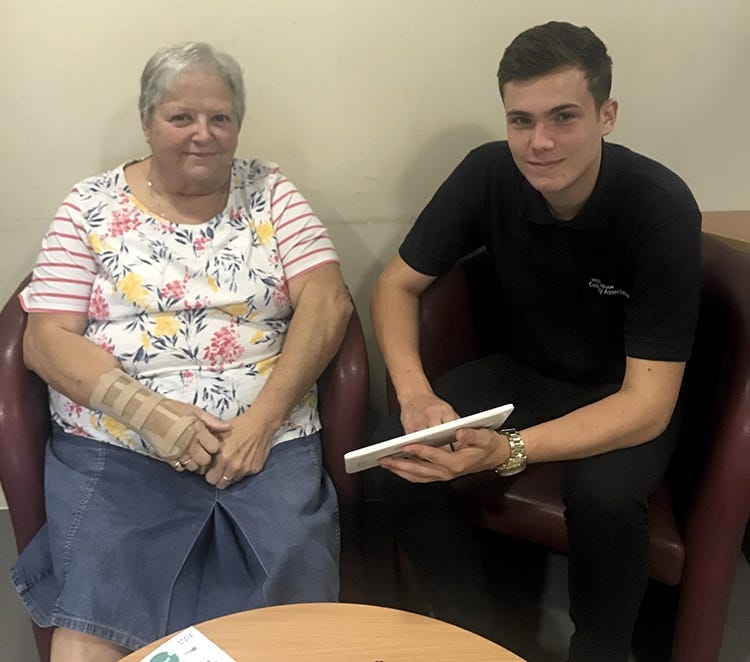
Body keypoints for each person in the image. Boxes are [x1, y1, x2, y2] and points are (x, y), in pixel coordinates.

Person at [370, 21, 701, 662]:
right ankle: (480, 641)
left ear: (607, 115)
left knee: (604, 499)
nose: (539, 142)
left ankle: (600, 650)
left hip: (625, 388)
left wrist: (506, 451)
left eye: (564, 117)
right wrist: (416, 397)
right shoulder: (488, 172)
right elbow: (395, 286)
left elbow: (649, 404)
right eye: (520, 120)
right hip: (527, 373)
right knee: (402, 459)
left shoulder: (659, 208)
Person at [12, 42, 353, 661]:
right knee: (97, 615)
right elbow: (44, 340)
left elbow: (328, 302)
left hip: (265, 443)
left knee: (292, 607)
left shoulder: (270, 190)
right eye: (181, 118)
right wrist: (149, 415)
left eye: (219, 118)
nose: (203, 135)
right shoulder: (88, 206)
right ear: (147, 122)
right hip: (119, 444)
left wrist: (262, 420)